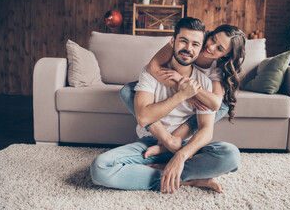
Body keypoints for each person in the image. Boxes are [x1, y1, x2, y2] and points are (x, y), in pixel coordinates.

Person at [90, 17, 240, 194]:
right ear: (172, 41)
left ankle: (169, 171)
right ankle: (190, 179)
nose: (188, 48)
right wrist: (182, 94)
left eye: (194, 44)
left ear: (199, 48)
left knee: (231, 155)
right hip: (151, 142)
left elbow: (207, 126)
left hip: (186, 146)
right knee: (100, 167)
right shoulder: (152, 71)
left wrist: (181, 154)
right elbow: (144, 117)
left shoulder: (206, 82)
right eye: (183, 41)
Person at [119, 24, 246, 158]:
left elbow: (215, 103)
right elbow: (153, 67)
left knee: (223, 106)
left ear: (225, 55)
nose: (211, 46)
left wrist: (184, 82)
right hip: (169, 83)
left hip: (192, 92)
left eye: (219, 48)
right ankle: (168, 142)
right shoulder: (191, 42)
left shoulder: (215, 70)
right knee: (126, 91)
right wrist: (184, 93)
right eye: (213, 39)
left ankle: (165, 146)